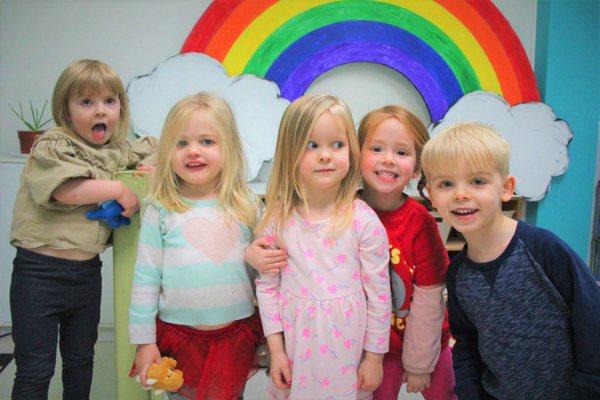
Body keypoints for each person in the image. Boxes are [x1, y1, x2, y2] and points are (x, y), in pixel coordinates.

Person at [9, 59, 157, 399]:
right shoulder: (54, 145)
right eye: (86, 102)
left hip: (87, 274)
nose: (99, 111)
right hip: (39, 273)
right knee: (36, 367)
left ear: (121, 107)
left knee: (80, 359)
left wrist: (153, 164)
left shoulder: (114, 152)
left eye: (109, 101)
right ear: (66, 109)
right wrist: (118, 189)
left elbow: (155, 147)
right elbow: (66, 190)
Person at [421, 122, 600, 399]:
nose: (460, 194)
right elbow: (467, 344)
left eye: (477, 181)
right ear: (432, 195)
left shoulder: (544, 249)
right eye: (446, 184)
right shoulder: (457, 274)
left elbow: (591, 318)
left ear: (506, 188)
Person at [252, 94, 391, 400]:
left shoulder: (363, 222)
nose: (326, 155)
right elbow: (268, 288)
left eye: (337, 145)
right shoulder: (277, 219)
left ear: (351, 152)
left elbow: (380, 297)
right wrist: (275, 352)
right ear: (290, 154)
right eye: (311, 145)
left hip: (346, 357)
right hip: (293, 355)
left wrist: (374, 357)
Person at [128, 93, 263, 400]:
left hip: (235, 338)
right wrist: (144, 342)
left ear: (228, 148)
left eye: (206, 141)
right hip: (179, 339)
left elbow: (260, 275)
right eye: (181, 143)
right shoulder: (161, 210)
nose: (193, 151)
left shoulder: (246, 206)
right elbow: (145, 281)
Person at [357, 106, 456, 400]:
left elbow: (429, 298)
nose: (388, 159)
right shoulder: (347, 215)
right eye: (376, 148)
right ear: (357, 156)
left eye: (401, 152)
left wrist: (419, 363)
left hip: (428, 344)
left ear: (415, 168)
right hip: (375, 350)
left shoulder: (420, 221)